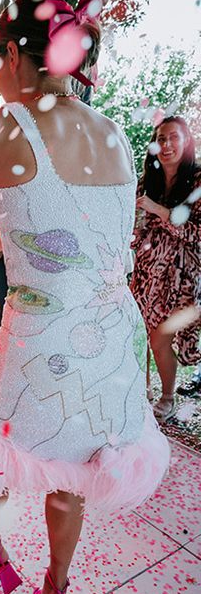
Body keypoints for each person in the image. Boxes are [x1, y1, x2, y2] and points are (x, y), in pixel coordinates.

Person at [0, 0, 170, 594]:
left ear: (13, 54)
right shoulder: (113, 131)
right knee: (77, 470)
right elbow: (48, 230)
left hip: (42, 332)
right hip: (109, 337)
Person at [130, 116, 201, 419]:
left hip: (181, 276)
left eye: (173, 137)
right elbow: (138, 231)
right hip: (148, 271)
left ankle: (168, 397)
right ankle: (139, 390)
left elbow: (197, 234)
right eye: (160, 138)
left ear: (186, 142)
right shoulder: (149, 181)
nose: (166, 144)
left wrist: (158, 210)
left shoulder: (198, 181)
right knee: (137, 331)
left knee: (160, 337)